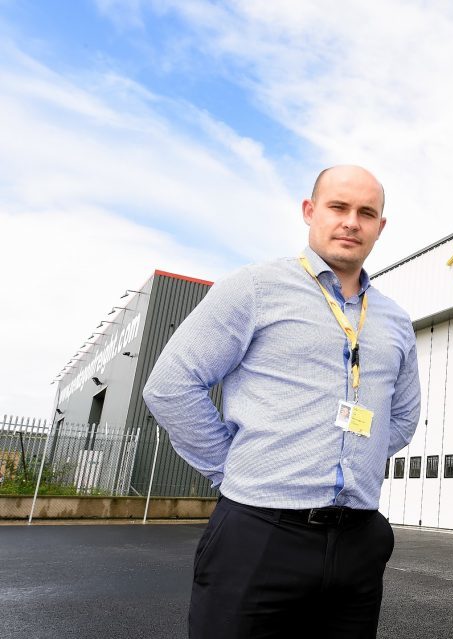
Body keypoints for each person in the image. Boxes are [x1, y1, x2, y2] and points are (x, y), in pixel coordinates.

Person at [144, 165, 421, 639]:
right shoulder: (255, 288)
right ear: (310, 211)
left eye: (366, 213)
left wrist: (360, 456)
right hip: (258, 534)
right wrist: (233, 467)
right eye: (338, 207)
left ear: (380, 227)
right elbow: (171, 385)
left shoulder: (395, 320)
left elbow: (402, 417)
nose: (351, 222)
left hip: (358, 541)